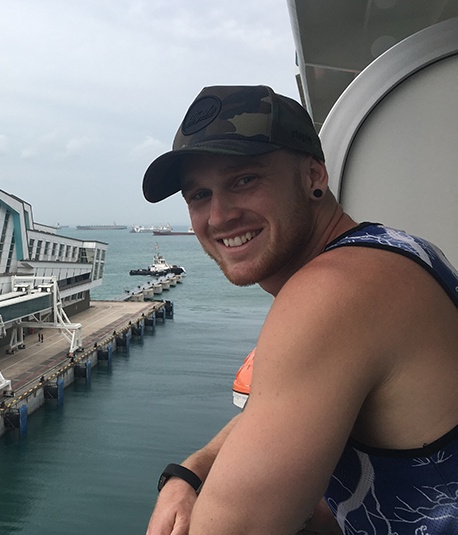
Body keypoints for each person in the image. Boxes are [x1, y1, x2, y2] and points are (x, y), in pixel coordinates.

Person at [141, 85, 458, 535]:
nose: (218, 217)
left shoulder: (334, 290)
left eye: (244, 180)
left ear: (314, 175)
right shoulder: (393, 251)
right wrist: (192, 471)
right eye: (199, 196)